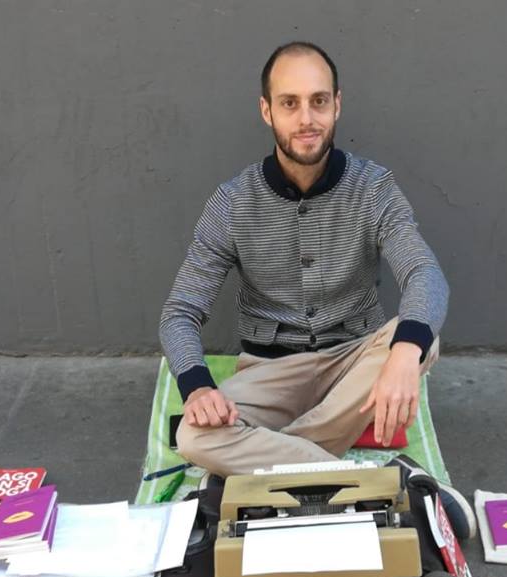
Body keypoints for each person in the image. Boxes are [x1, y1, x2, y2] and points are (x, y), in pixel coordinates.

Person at [159, 41, 475, 539]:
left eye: (319, 101)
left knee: (420, 340)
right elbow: (180, 311)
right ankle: (376, 481)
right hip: (270, 371)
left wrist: (403, 352)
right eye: (289, 103)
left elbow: (423, 274)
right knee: (193, 433)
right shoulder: (232, 201)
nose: (306, 118)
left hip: (353, 366)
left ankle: (266, 459)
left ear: (337, 104)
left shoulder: (373, 188)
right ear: (267, 111)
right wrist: (196, 385)